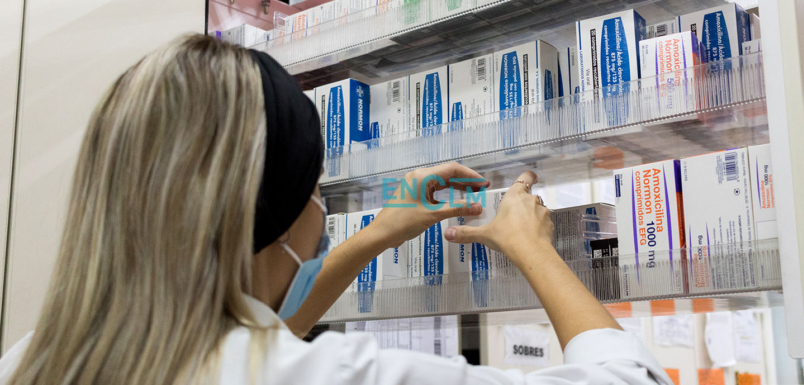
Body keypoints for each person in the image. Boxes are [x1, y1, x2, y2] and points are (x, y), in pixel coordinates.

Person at [0, 35, 670, 385]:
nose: (319, 212)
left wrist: (377, 233)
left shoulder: (35, 359)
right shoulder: (320, 375)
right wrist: (532, 245)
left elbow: (246, 333)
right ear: (273, 208)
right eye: (316, 189)